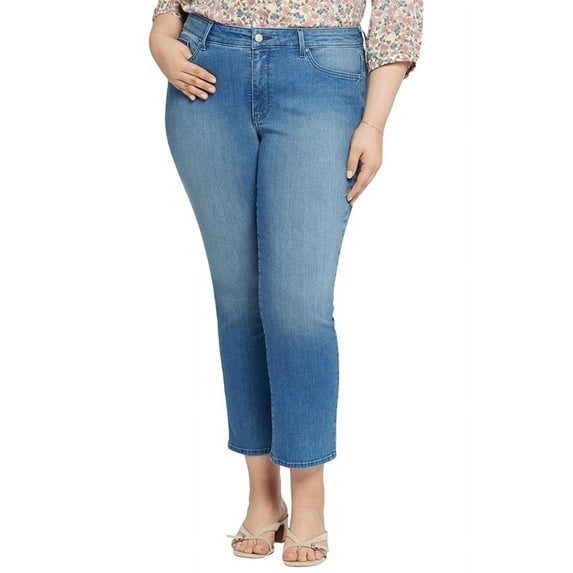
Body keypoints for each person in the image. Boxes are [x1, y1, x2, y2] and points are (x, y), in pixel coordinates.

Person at [149, 0, 422, 566]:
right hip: (206, 68)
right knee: (239, 302)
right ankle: (262, 495)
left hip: (321, 73)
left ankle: (309, 496)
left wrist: (374, 122)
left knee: (297, 307)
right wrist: (160, 35)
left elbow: (399, 9)